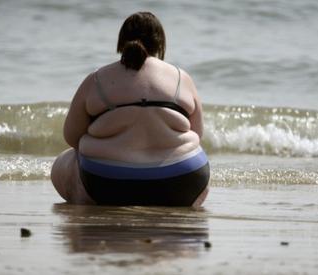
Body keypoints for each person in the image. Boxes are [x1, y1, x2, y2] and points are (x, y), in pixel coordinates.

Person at [51, 11, 210, 206]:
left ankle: (86, 203)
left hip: (108, 182)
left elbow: (71, 136)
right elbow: (198, 133)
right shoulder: (180, 78)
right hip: (181, 180)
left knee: (65, 159)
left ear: (121, 42)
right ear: (160, 43)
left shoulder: (97, 79)